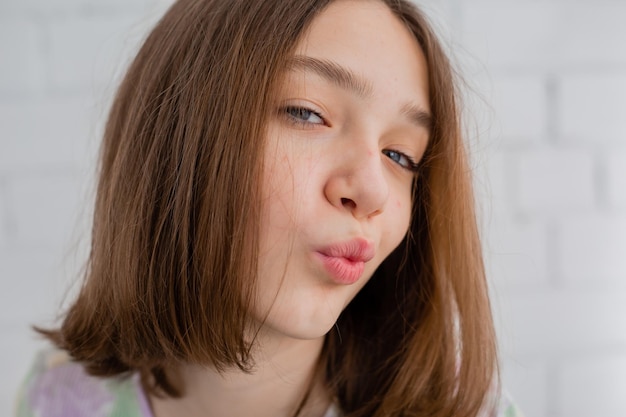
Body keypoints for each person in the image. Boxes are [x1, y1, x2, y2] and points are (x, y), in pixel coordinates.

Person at [15, 0, 524, 416]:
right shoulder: (55, 399)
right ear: (180, 137)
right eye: (307, 113)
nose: (372, 191)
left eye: (400, 156)